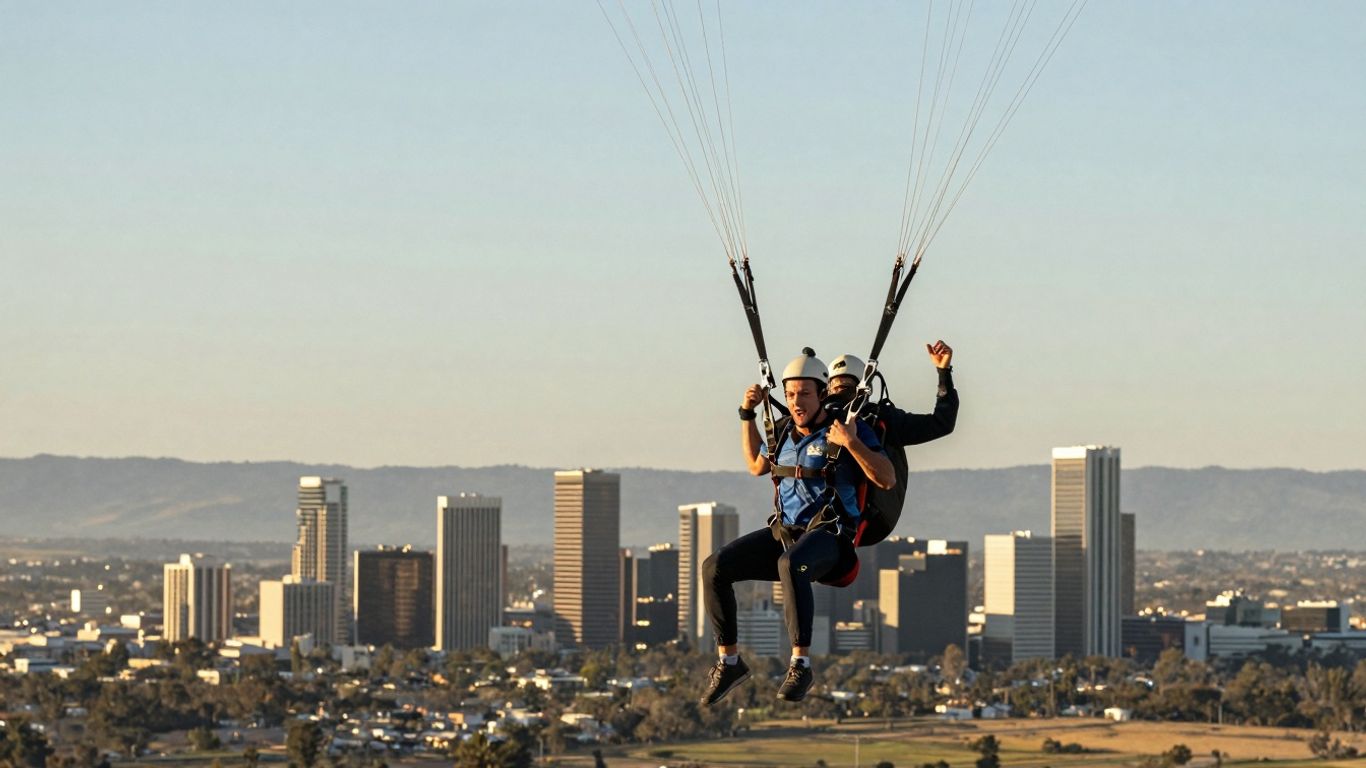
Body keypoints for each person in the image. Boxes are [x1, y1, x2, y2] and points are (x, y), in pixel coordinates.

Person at [699, 348, 895, 706]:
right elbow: (756, 466)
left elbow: (886, 478)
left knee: (791, 564)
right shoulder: (784, 432)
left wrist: (850, 442)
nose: (796, 401)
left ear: (822, 394)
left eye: (804, 393)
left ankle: (800, 664)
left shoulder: (848, 428)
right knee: (714, 567)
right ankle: (729, 661)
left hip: (831, 539)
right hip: (786, 533)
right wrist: (748, 415)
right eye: (790, 395)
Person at [827, 339, 958, 447]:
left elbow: (942, 423)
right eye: (835, 389)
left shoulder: (885, 419)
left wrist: (944, 373)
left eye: (846, 387)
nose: (840, 395)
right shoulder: (818, 422)